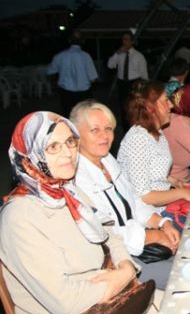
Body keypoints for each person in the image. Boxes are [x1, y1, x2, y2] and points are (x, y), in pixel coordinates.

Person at [0, 111, 157, 314]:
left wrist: (125, 267)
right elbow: (65, 302)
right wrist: (121, 277)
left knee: (185, 310)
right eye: (53, 147)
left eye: (70, 142)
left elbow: (110, 236)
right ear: (29, 155)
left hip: (108, 300)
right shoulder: (21, 218)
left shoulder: (68, 191)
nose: (68, 153)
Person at [70, 100, 180, 289]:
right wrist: (154, 236)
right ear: (75, 135)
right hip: (115, 261)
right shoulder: (76, 178)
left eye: (109, 128)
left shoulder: (107, 160)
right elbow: (108, 233)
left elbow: (133, 200)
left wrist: (162, 223)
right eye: (95, 130)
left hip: (139, 245)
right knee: (185, 273)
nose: (105, 136)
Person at [117, 81, 190, 228]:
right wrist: (182, 193)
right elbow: (144, 196)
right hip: (152, 217)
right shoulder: (138, 139)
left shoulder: (156, 132)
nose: (171, 105)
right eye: (166, 101)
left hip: (163, 207)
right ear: (150, 107)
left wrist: (173, 181)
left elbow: (151, 172)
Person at [47, 30, 98, 116]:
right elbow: (93, 79)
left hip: (66, 93)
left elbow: (50, 72)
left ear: (69, 40)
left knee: (68, 116)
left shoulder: (60, 56)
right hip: (83, 94)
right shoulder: (85, 56)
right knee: (83, 117)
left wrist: (57, 80)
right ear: (83, 41)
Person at [107, 31, 149, 130]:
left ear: (132, 42)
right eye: (123, 39)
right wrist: (117, 53)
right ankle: (126, 130)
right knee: (124, 108)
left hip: (134, 84)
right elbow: (110, 65)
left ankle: (136, 128)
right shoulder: (119, 54)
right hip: (122, 84)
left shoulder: (139, 56)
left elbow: (144, 73)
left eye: (126, 39)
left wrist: (146, 88)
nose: (123, 41)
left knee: (135, 108)